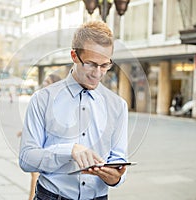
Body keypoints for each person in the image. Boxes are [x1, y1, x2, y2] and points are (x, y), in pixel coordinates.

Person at [19, 21, 128, 200]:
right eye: (91, 64)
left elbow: (119, 161)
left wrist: (116, 178)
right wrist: (69, 151)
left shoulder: (118, 106)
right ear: (74, 56)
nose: (98, 73)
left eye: (105, 65)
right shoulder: (42, 100)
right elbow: (26, 159)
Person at [18, 73, 62, 200]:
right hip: (39, 146)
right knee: (34, 174)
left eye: (48, 81)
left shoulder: (56, 101)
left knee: (36, 175)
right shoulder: (42, 99)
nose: (45, 84)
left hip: (48, 148)